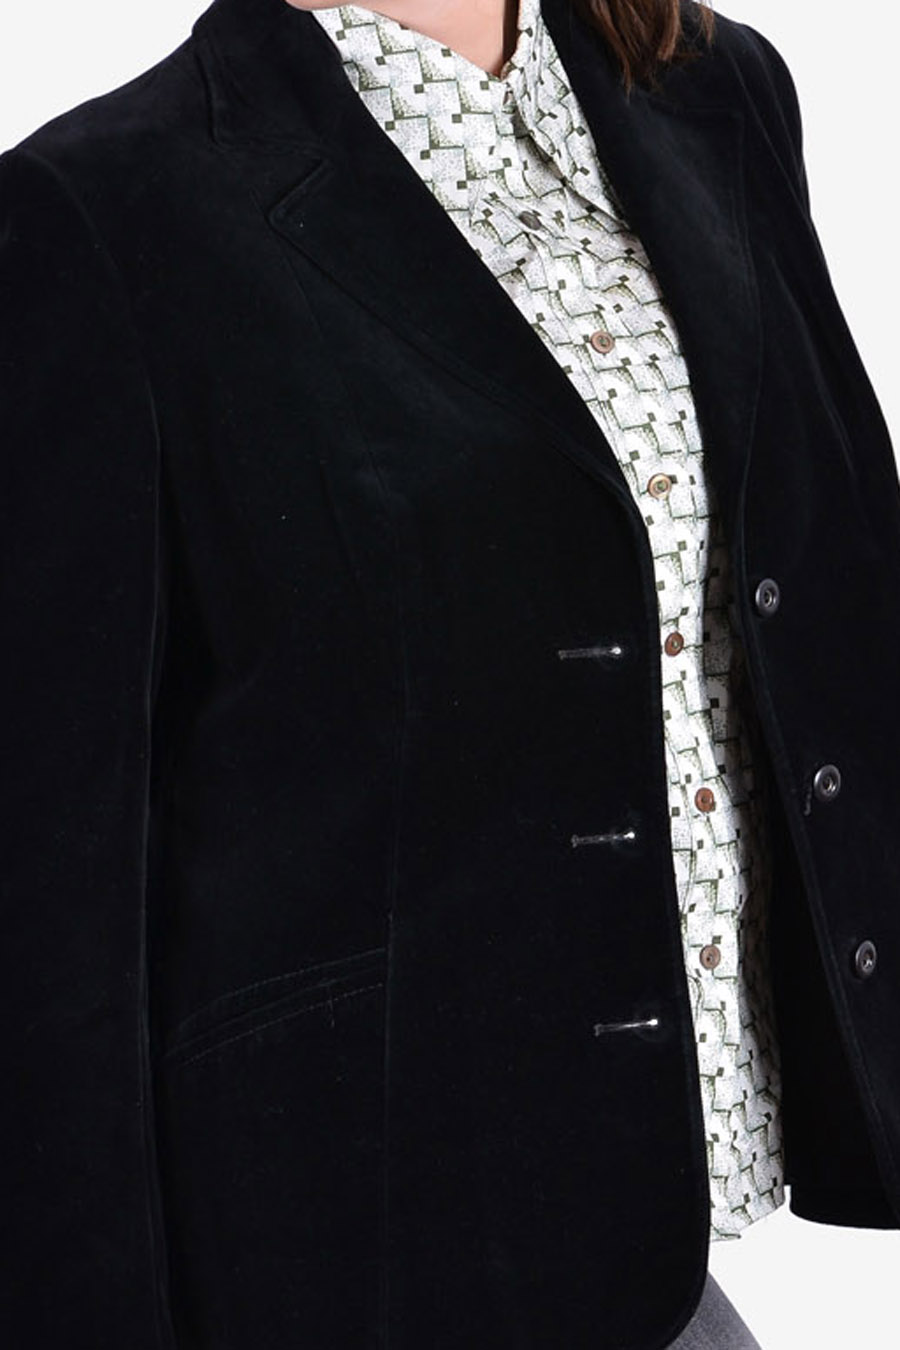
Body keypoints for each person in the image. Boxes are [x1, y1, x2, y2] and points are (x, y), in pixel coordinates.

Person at [1, 0, 898, 1346]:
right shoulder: (100, 214)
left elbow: (838, 585)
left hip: (653, 1225)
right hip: (359, 1247)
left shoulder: (715, 92)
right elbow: (46, 911)